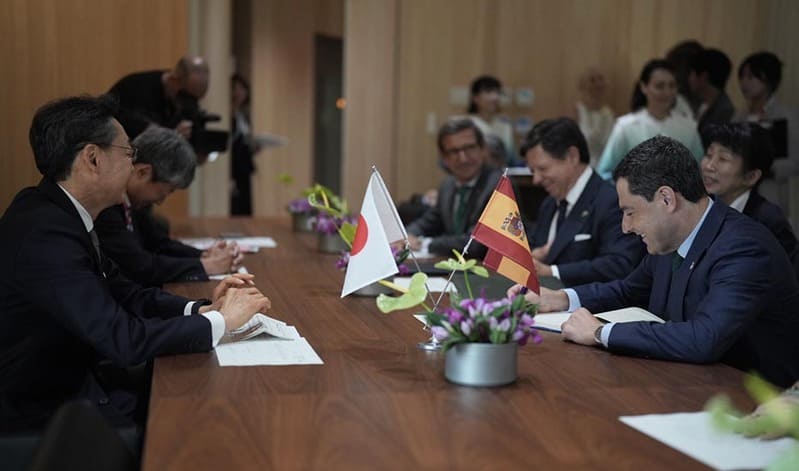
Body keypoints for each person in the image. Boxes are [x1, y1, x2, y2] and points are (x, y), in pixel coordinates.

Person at [0, 95, 271, 432]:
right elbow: (123, 339)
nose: (132, 164)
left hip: (80, 382)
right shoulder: (45, 233)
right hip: (46, 412)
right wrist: (221, 322)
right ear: (92, 159)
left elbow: (128, 294)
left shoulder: (61, 214)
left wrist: (201, 311)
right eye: (128, 153)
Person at [511, 136, 799, 388]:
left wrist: (600, 333)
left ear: (666, 199)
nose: (625, 227)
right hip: (685, 383)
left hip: (755, 404)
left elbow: (704, 338)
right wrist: (559, 299)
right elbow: (628, 290)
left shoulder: (743, 248)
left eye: (630, 212)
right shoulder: (670, 237)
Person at [94, 126, 242, 287]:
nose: (160, 201)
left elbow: (159, 244)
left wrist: (204, 256)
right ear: (143, 172)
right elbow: (140, 266)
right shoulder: (105, 206)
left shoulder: (135, 202)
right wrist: (207, 266)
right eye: (164, 192)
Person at [521, 118, 644, 286]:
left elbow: (620, 264)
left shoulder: (611, 201)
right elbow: (537, 251)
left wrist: (553, 272)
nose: (536, 179)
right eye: (532, 171)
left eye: (542, 169)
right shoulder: (549, 204)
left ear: (572, 156)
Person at [700, 122, 799, 276]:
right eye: (709, 155)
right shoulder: (702, 209)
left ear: (751, 176)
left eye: (723, 159)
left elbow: (790, 278)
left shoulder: (769, 220)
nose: (709, 166)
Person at [406, 118, 501, 258]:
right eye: (454, 151)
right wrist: (408, 235)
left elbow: (476, 244)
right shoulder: (448, 186)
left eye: (469, 148)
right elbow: (429, 222)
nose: (463, 158)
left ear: (482, 149)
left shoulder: (498, 185)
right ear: (444, 158)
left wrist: (424, 243)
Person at [597, 59, 704, 180]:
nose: (667, 92)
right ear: (644, 87)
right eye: (660, 86)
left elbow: (699, 171)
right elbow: (605, 173)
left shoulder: (688, 127)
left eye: (672, 85)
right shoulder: (626, 127)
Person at [733, 52, 799, 210]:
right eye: (742, 77)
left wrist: (765, 168)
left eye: (751, 77)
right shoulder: (739, 116)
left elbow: (795, 161)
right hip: (740, 194)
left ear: (768, 80)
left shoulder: (785, 116)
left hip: (772, 195)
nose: (744, 83)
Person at [108, 56, 209, 141]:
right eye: (186, 97)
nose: (189, 104)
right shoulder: (135, 89)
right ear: (173, 80)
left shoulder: (182, 101)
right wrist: (172, 136)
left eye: (195, 100)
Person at [571, 67, 615, 166]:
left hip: (605, 169)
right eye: (592, 80)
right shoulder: (576, 111)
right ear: (582, 85)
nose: (597, 84)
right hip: (581, 168)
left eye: (600, 79)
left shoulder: (609, 114)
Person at [230, 74, 261, 215]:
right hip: (233, 167)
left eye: (243, 89)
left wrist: (254, 147)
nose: (240, 92)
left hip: (245, 167)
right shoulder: (228, 115)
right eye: (236, 88)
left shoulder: (243, 115)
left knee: (245, 205)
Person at [466, 75, 515, 163]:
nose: (495, 97)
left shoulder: (504, 124)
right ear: (475, 98)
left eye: (498, 92)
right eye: (488, 92)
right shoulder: (465, 124)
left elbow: (511, 157)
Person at [688, 48, 735, 132]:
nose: (689, 78)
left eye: (692, 73)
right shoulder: (698, 104)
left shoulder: (724, 112)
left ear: (703, 77)